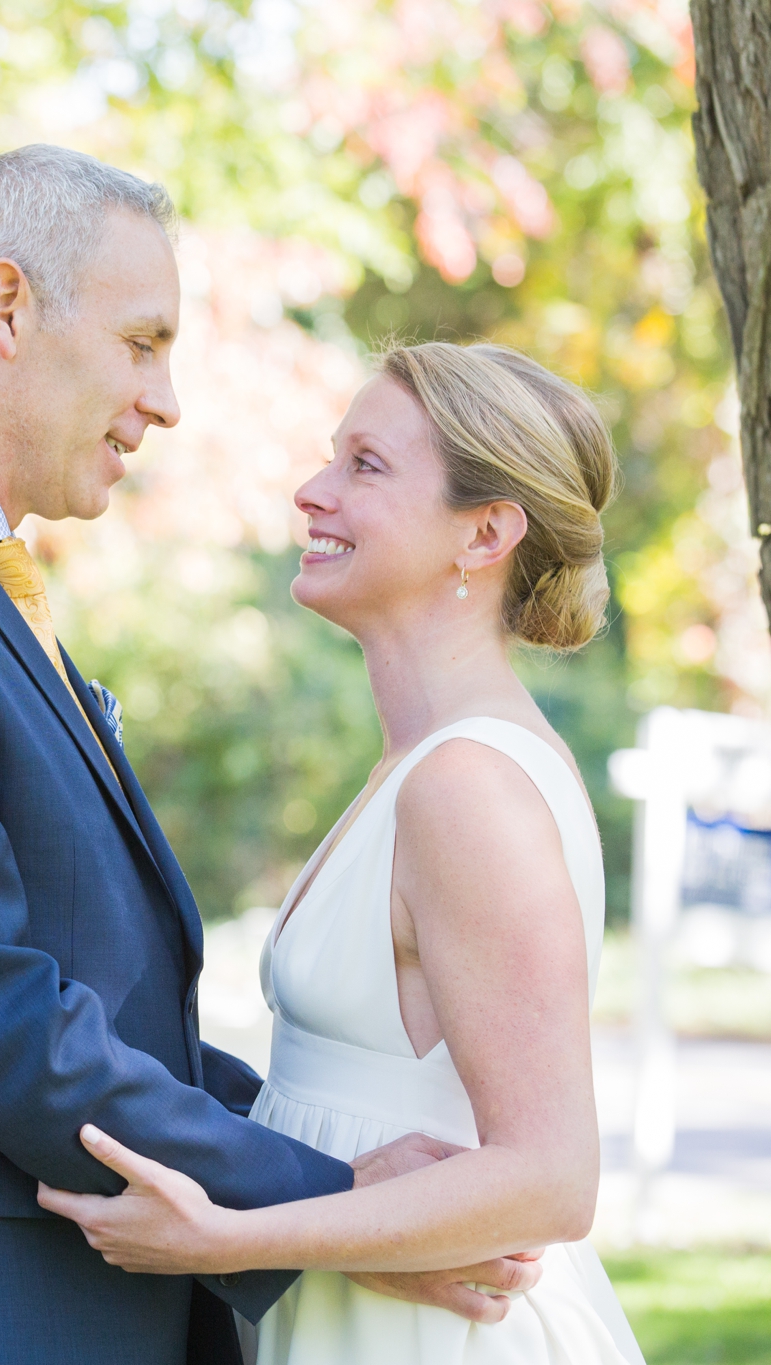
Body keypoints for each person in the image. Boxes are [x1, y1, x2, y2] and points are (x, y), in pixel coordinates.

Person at [0, 145, 541, 1365]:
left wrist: (346, 1171)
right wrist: (332, 1199)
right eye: (143, 341)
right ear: (6, 308)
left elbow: (101, 998)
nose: (166, 399)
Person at [38, 341, 648, 1365]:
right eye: (331, 458)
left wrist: (226, 1239)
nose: (311, 493)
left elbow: (550, 1176)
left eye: (363, 466)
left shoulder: (466, 787)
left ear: (485, 533)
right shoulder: (411, 769)